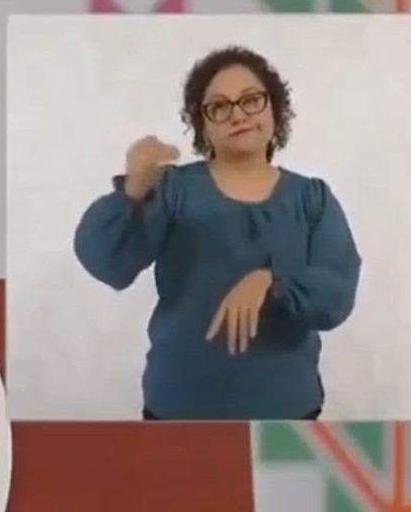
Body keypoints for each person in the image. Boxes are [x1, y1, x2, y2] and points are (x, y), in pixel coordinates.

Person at [72, 45, 360, 421]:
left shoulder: (312, 198)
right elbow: (107, 262)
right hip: (177, 409)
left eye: (251, 100)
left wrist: (272, 281)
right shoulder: (173, 190)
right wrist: (134, 191)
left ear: (274, 109)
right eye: (220, 106)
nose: (237, 114)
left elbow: (336, 295)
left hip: (288, 410)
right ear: (203, 123)